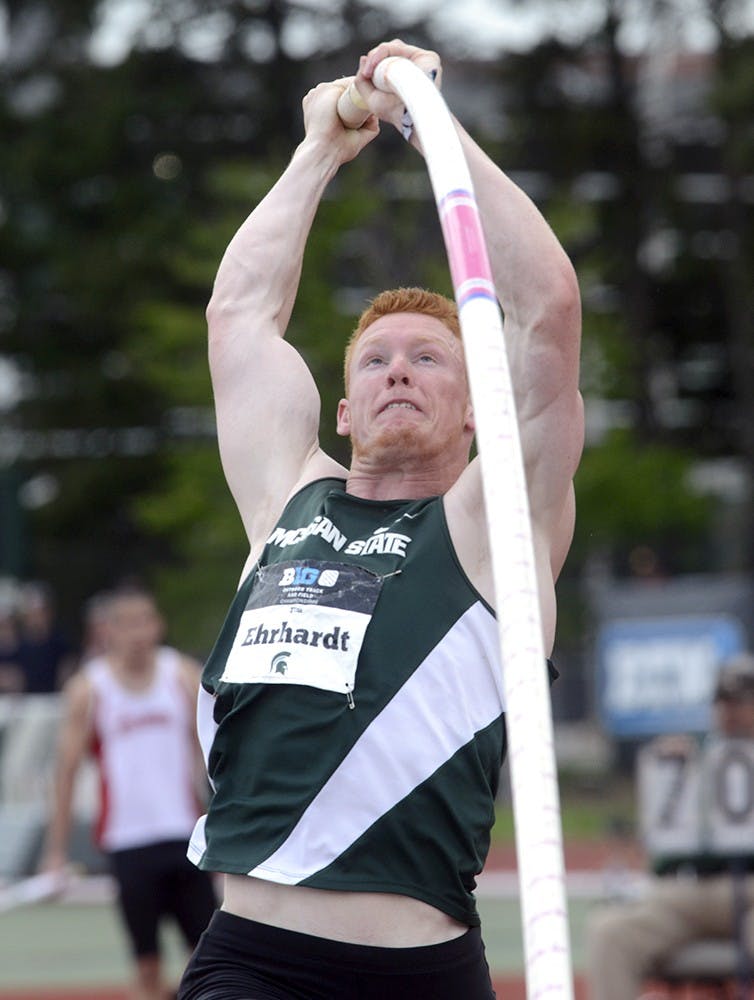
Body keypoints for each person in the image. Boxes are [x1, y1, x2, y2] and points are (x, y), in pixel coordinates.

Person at [178, 37, 583, 1000]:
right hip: (255, 965)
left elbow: (547, 311)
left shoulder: (495, 527)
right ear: (345, 410)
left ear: (477, 404)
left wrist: (428, 125)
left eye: (430, 358)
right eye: (376, 360)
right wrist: (320, 147)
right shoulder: (286, 497)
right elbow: (238, 317)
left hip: (423, 973)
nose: (399, 366)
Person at [41, 585, 217, 1000]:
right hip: (128, 843)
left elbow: (214, 756)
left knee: (208, 962)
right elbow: (65, 774)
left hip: (185, 837)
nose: (138, 632)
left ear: (158, 625)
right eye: (127, 623)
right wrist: (56, 851)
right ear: (109, 631)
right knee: (146, 967)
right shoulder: (90, 689)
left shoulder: (183, 675)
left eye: (146, 621)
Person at [586, 652, 754, 1000]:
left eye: (743, 702)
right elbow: (661, 855)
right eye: (725, 702)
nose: (733, 712)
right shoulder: (690, 755)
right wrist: (670, 781)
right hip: (687, 892)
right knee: (610, 934)